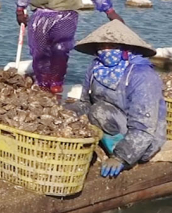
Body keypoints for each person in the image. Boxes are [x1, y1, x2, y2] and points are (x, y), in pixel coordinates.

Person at [70, 20, 166, 178]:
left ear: (126, 49)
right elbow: (85, 103)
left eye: (112, 46)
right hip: (109, 121)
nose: (106, 51)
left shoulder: (142, 75)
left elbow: (144, 126)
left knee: (99, 111)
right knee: (71, 111)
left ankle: (118, 150)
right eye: (102, 46)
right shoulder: (95, 68)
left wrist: (121, 157)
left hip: (143, 137)